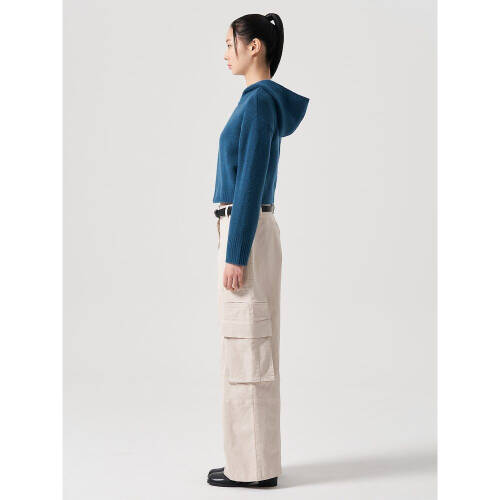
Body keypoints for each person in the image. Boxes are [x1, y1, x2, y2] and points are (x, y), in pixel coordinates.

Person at [208, 12, 310, 488]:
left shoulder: (259, 102)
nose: (225, 52)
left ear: (255, 47)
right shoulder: (256, 101)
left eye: (231, 43)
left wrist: (236, 252)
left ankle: (253, 470)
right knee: (246, 345)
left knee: (249, 348)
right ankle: (247, 461)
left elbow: (249, 181)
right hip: (247, 230)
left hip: (245, 231)